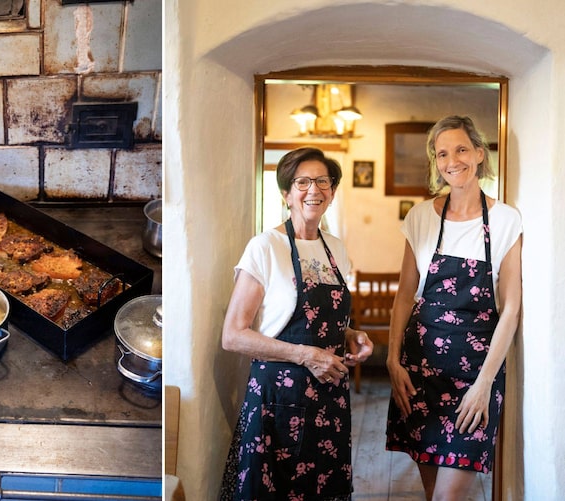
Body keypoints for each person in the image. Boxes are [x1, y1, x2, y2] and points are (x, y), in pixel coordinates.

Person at [219, 147, 374, 501]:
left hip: (329, 397)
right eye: (302, 182)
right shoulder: (265, 247)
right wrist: (306, 355)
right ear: (286, 194)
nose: (313, 190)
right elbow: (233, 336)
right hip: (278, 398)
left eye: (323, 181)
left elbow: (327, 321)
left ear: (332, 192)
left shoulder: (336, 248)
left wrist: (351, 335)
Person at [385, 115, 522, 501]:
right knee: (434, 495)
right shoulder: (421, 217)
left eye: (461, 149)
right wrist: (393, 362)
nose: (452, 160)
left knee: (449, 497)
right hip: (420, 374)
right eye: (442, 153)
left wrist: (484, 385)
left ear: (479, 153)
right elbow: (404, 295)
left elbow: (511, 308)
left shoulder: (506, 220)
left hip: (475, 379)